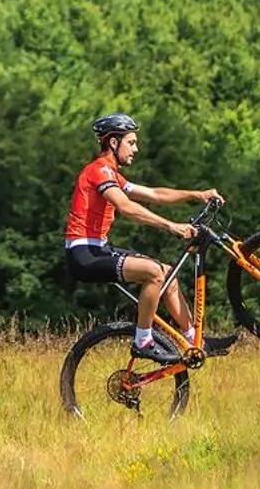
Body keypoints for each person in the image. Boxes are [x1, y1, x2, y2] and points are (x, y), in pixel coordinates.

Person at [65, 113, 222, 358]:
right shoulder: (99, 171)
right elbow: (126, 208)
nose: (136, 149)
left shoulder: (113, 175)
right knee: (154, 273)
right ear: (114, 143)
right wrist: (171, 226)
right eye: (132, 142)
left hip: (99, 249)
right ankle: (143, 341)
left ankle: (194, 341)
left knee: (168, 275)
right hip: (84, 253)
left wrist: (197, 194)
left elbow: (155, 194)